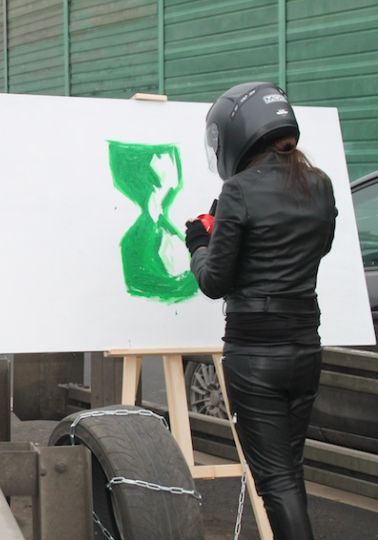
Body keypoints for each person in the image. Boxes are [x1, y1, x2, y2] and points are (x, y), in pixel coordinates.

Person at [184, 82, 337, 539]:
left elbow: (214, 282)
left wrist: (199, 243)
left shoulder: (239, 190)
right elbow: (316, 247)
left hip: (255, 355)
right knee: (289, 470)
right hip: (305, 348)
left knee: (275, 479)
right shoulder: (319, 184)